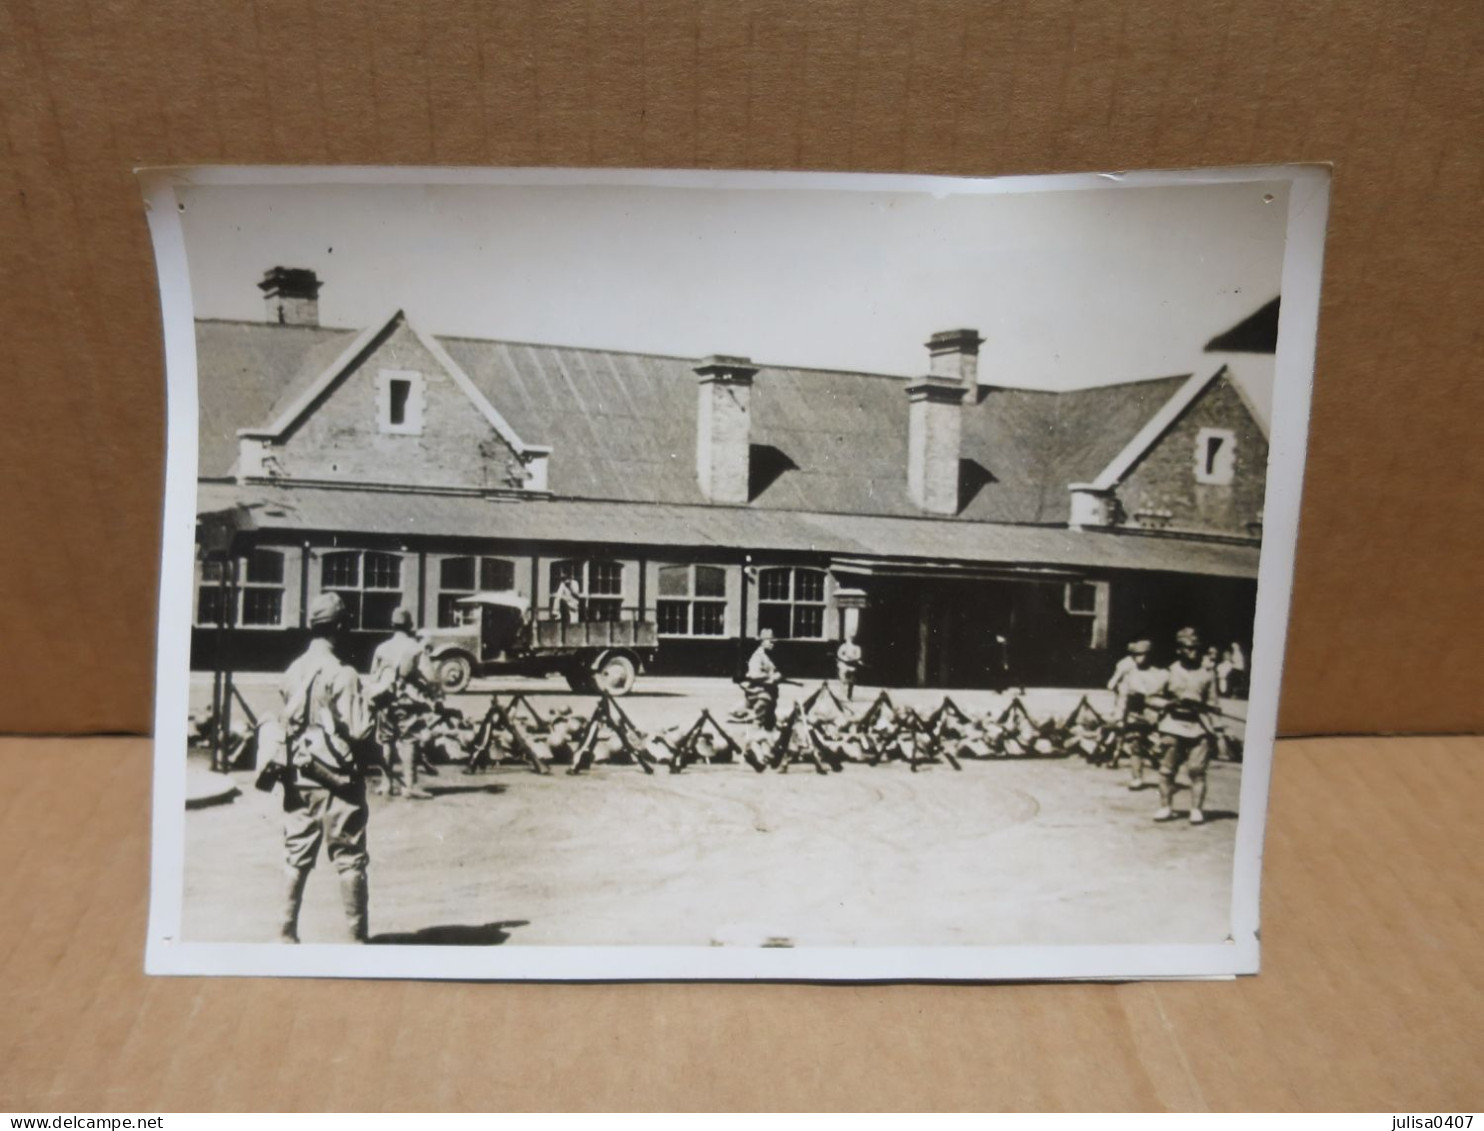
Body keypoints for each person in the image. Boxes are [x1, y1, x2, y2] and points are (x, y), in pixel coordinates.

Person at [272, 592, 391, 943]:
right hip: (338, 777)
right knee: (350, 858)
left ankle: (285, 932)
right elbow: (358, 729)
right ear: (341, 627)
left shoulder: (294, 670)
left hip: (298, 773)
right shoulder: (344, 673)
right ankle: (356, 939)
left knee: (296, 856)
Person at [370, 607, 441, 800]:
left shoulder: (382, 648)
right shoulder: (415, 648)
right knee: (409, 740)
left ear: (392, 625)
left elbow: (373, 676)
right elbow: (431, 677)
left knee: (386, 741)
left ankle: (386, 784)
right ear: (410, 626)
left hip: (384, 701)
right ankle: (410, 786)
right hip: (406, 701)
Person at [1152, 626, 1220, 824]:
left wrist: (1202, 708)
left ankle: (1196, 810)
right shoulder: (1168, 672)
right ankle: (1165, 807)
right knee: (1166, 771)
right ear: (1179, 649)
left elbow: (1214, 706)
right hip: (1172, 726)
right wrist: (1169, 703)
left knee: (1197, 771)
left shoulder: (1207, 674)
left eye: (1196, 648)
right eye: (1188, 648)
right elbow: (1151, 699)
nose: (1193, 652)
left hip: (1199, 728)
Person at [1106, 639, 1164, 790]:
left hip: (1153, 715)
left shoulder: (1160, 674)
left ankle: (1164, 773)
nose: (1139, 658)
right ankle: (1136, 777)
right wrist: (1121, 712)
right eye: (1136, 655)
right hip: (1134, 713)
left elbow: (1163, 695)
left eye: (1143, 654)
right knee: (1135, 744)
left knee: (1159, 745)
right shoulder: (1129, 672)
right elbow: (1119, 691)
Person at [741, 628, 784, 731]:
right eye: (770, 641)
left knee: (770, 722)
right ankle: (752, 741)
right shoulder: (757, 657)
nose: (773, 644)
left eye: (773, 642)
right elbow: (754, 675)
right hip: (759, 693)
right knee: (759, 719)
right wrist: (772, 678)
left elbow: (775, 671)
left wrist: (778, 675)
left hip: (770, 693)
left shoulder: (768, 656)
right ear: (762, 641)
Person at [835, 634, 863, 701]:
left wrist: (852, 658)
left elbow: (859, 656)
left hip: (852, 665)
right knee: (843, 680)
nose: (851, 640)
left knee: (851, 680)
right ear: (847, 639)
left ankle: (849, 696)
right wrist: (844, 658)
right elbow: (839, 654)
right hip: (843, 664)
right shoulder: (844, 646)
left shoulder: (857, 647)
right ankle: (842, 696)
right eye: (850, 638)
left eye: (852, 638)